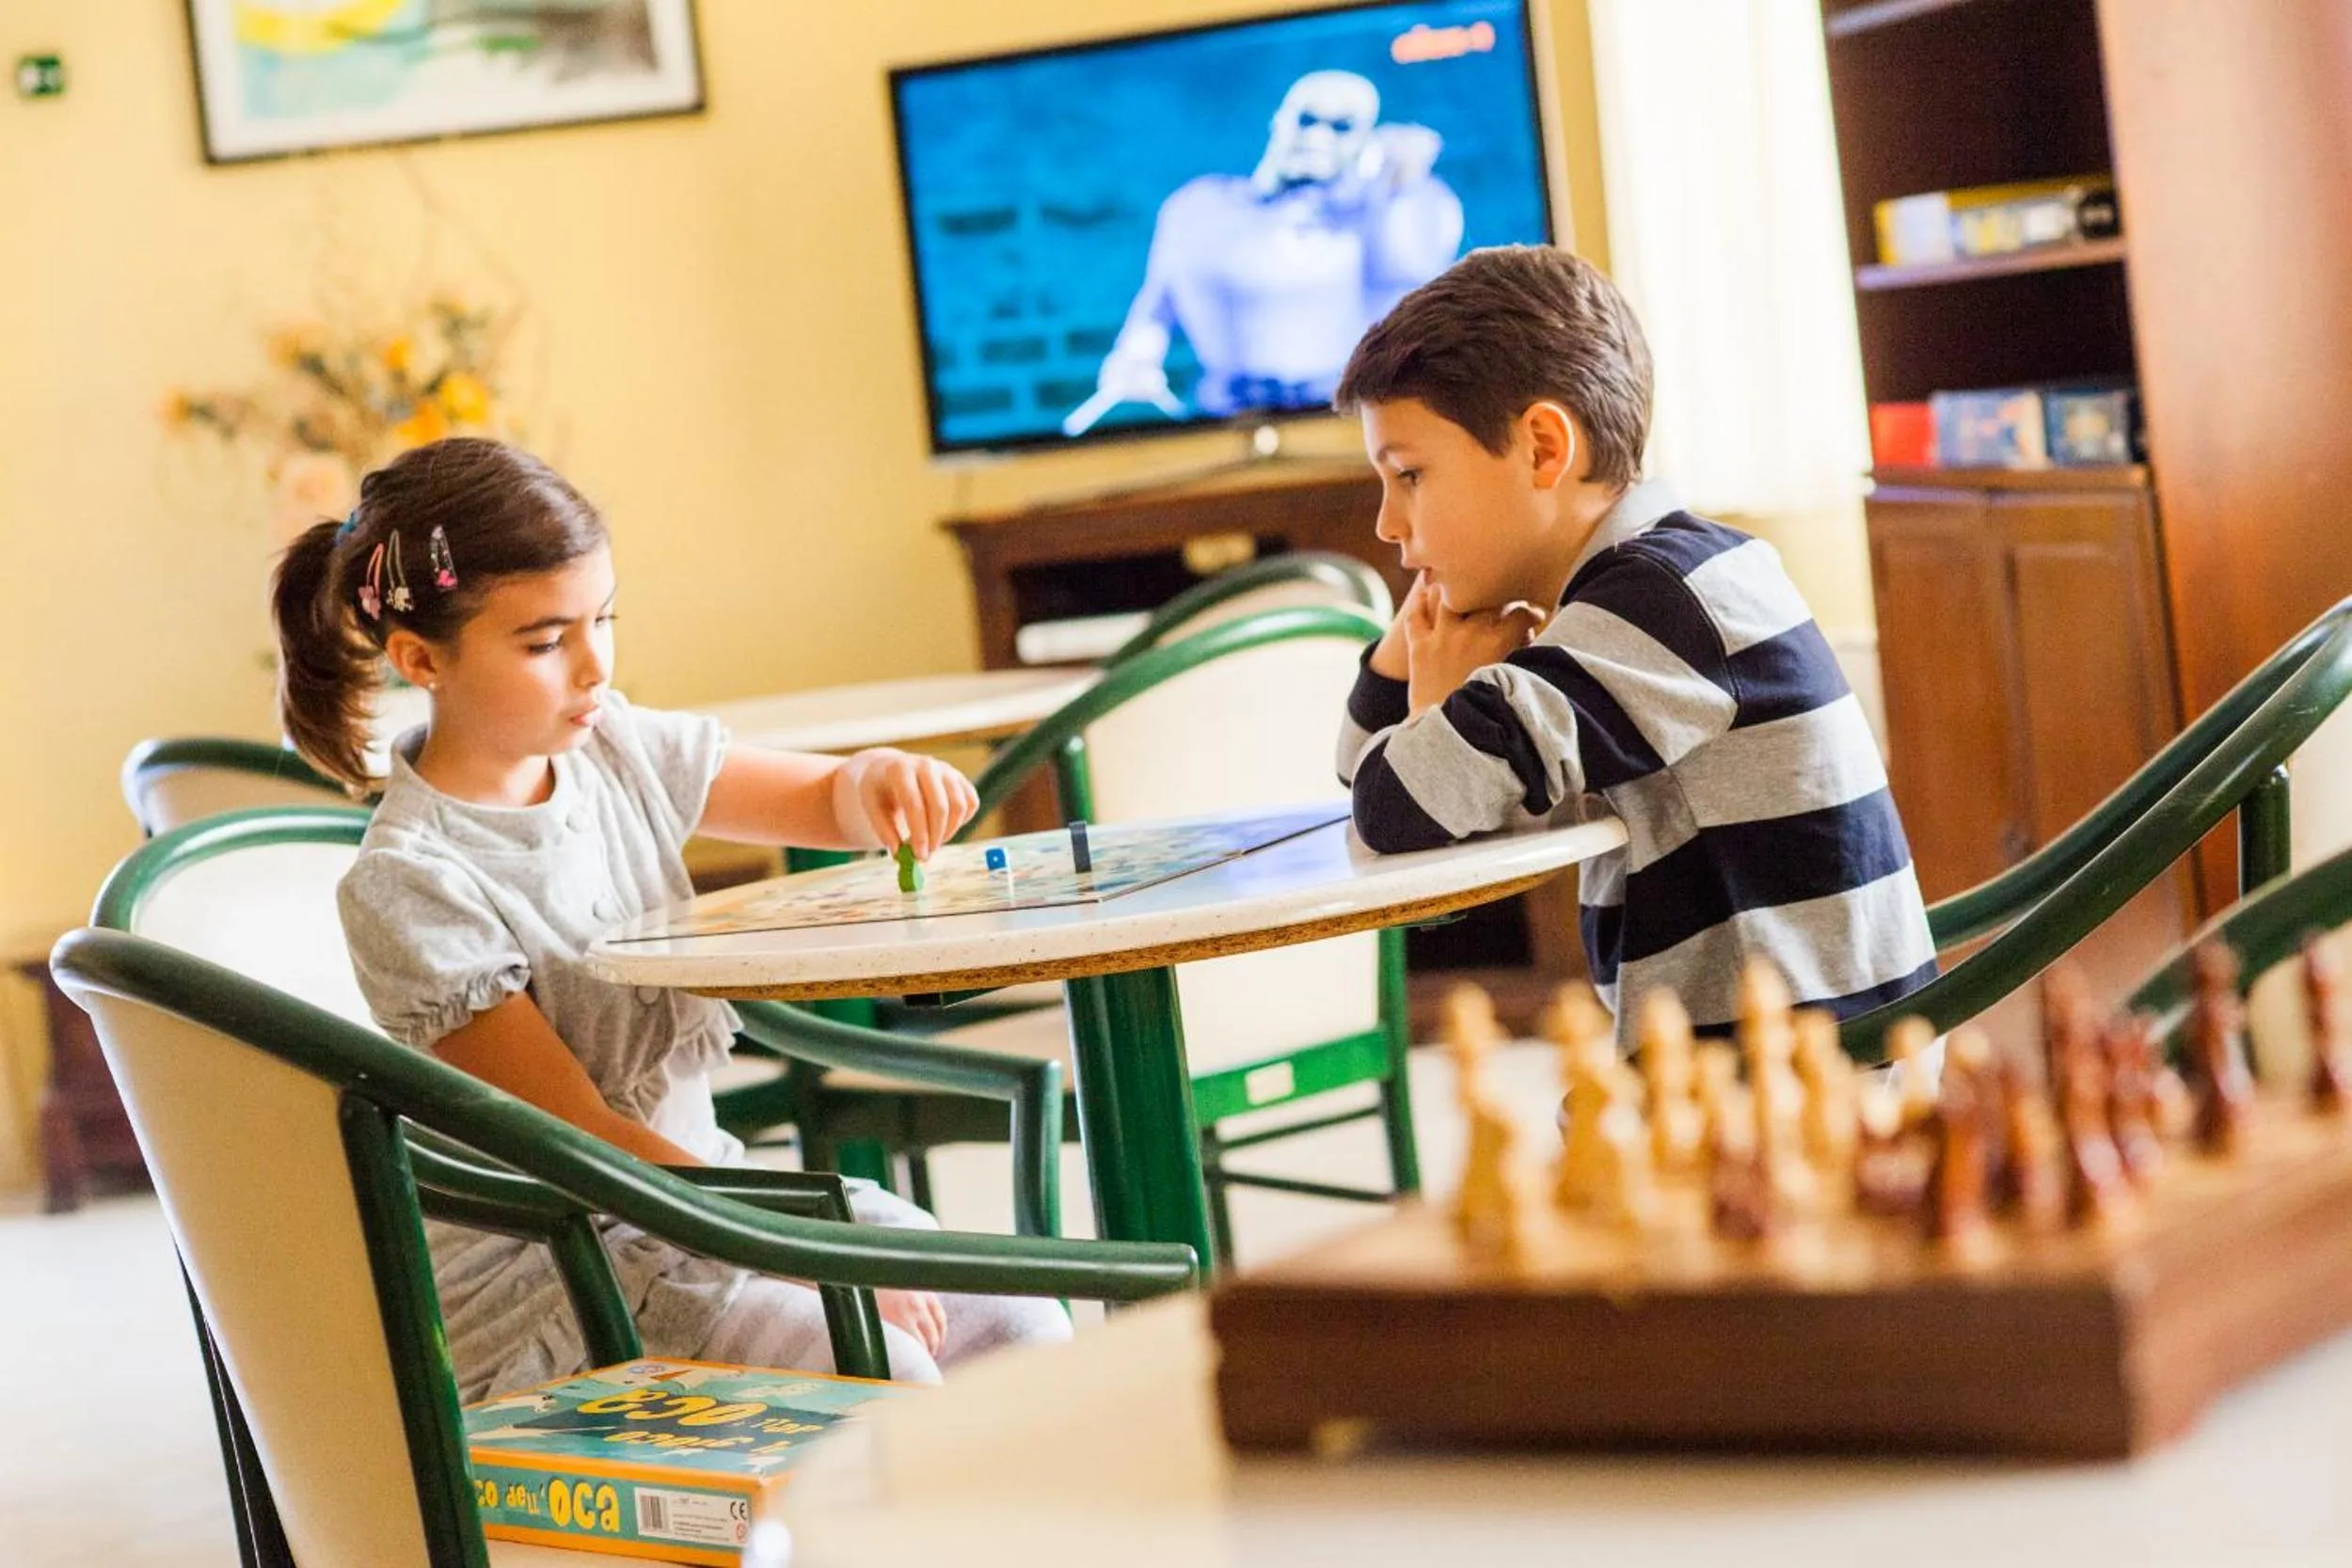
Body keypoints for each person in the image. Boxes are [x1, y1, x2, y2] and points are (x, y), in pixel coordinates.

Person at [271, 436, 1068, 1400]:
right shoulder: (407, 881)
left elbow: (822, 798)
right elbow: (582, 1137)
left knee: (1027, 1328)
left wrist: (878, 780)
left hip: (705, 1193)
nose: (594, 664)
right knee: (882, 1365)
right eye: (544, 640)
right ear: (418, 658)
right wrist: (809, 1253)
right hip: (572, 1261)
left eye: (603, 617)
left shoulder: (616, 746)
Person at [1332, 245, 1937, 1040]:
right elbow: (1367, 782)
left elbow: (1398, 807)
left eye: (1409, 474)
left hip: (1795, 1084)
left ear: (1545, 448)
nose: (1386, 522)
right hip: (1768, 1060)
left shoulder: (1662, 607)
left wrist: (1438, 711)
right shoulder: (1646, 590)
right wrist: (1410, 659)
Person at [1065, 69, 1463, 436]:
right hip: (1220, 420)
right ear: (1279, 119)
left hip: (1347, 424)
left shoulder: (1384, 211)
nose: (1317, 137)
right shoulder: (1199, 206)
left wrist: (1403, 184)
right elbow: (1157, 302)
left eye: (1341, 127)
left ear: (1363, 141)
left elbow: (1417, 276)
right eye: (1307, 120)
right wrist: (1135, 361)